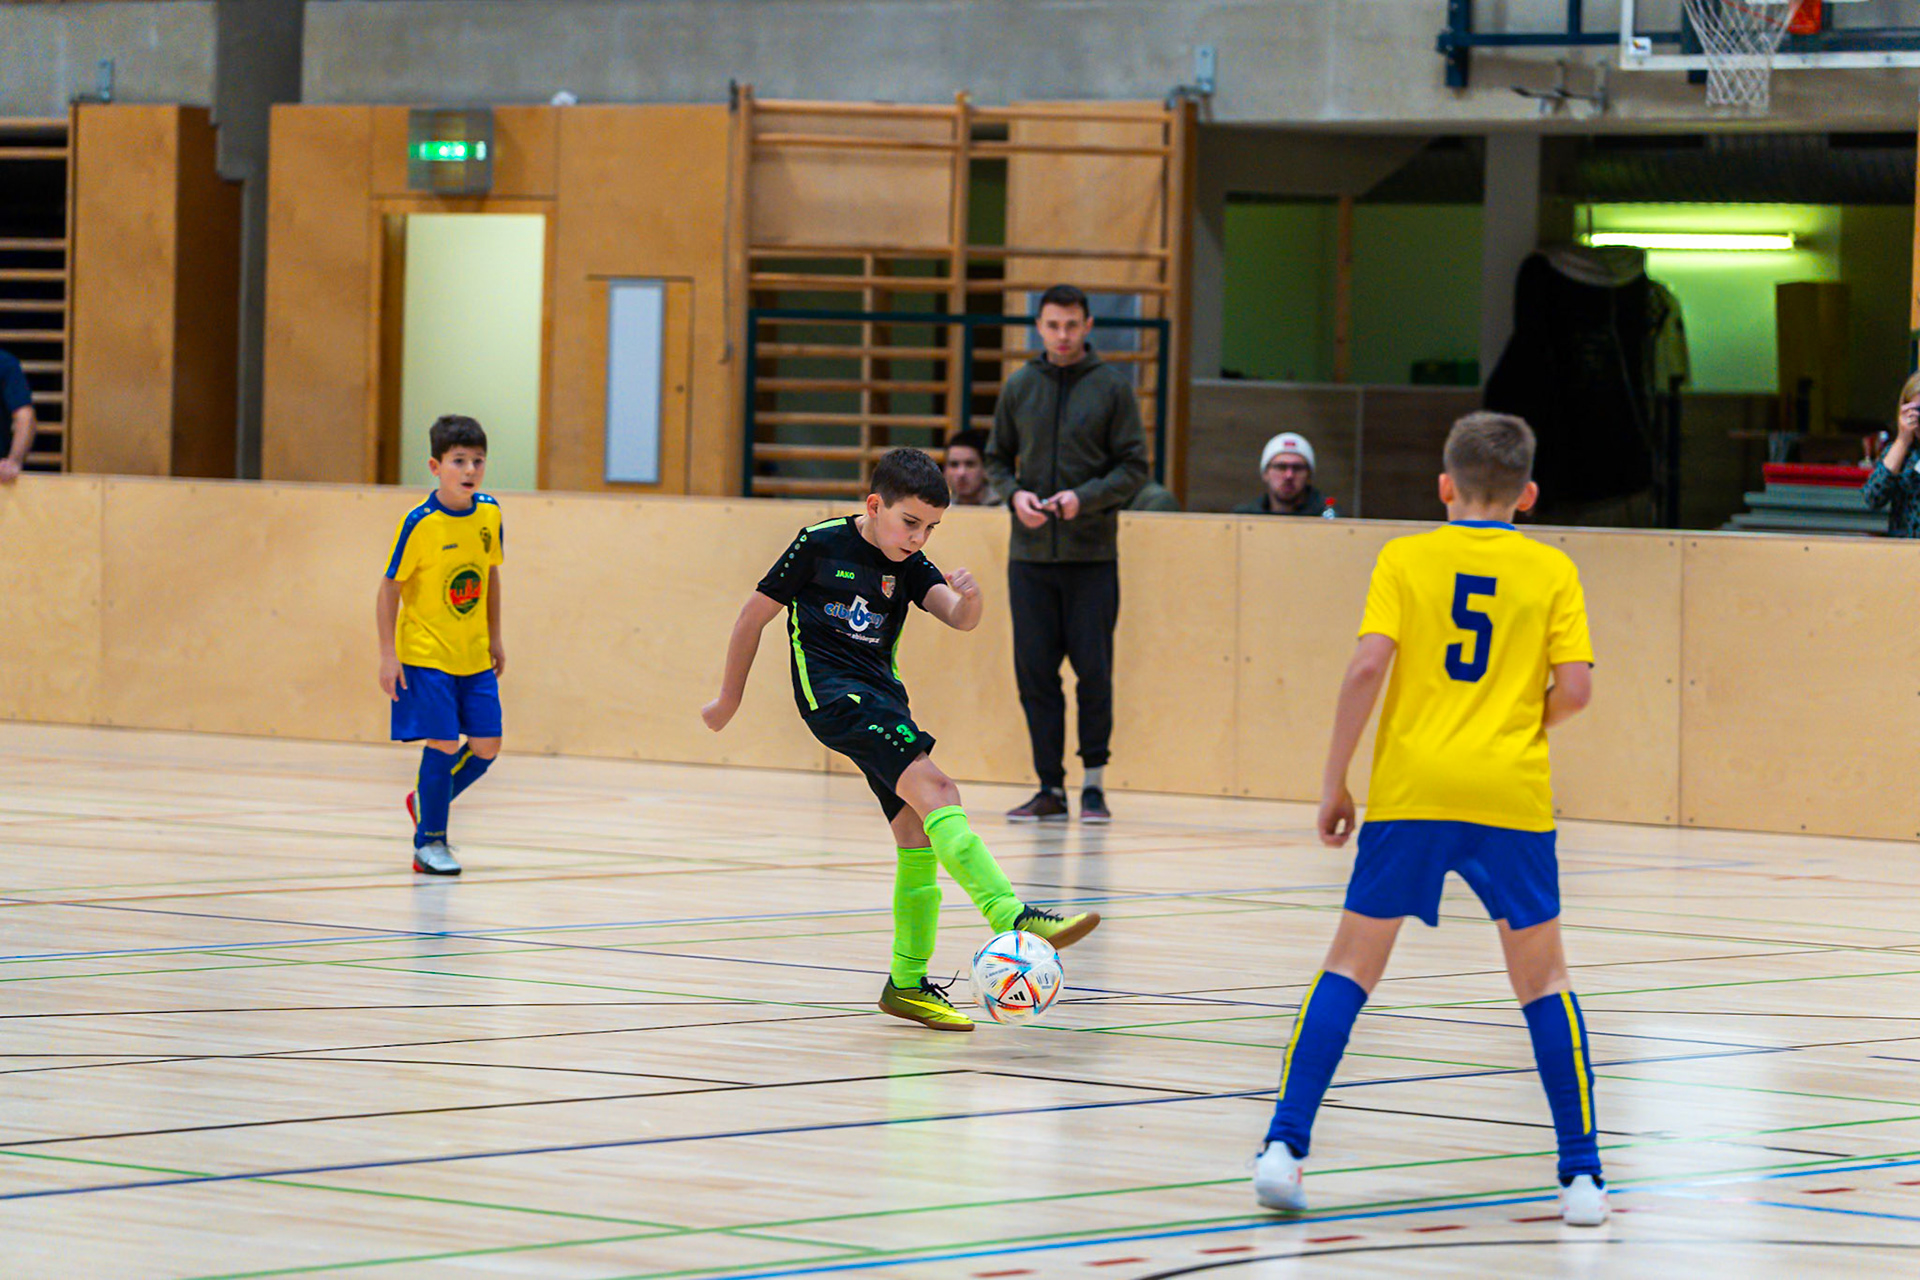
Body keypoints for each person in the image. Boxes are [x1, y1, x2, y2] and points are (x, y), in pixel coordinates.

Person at [1250, 412, 1607, 1227]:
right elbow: (1579, 690)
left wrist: (1335, 782)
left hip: (1412, 791)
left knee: (1350, 968)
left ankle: (1282, 1149)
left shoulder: (1404, 558)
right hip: (1511, 795)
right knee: (1544, 981)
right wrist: (1519, 723)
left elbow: (1366, 666)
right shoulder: (1552, 568)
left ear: (1444, 486)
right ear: (1528, 495)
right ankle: (1582, 1178)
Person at [702, 447, 1102, 1032]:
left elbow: (957, 616)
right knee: (939, 789)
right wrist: (729, 699)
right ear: (874, 505)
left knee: (916, 834)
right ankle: (1010, 914)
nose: (918, 538)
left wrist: (972, 599)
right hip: (833, 698)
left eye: (931, 528)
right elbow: (751, 617)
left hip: (883, 699)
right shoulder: (819, 544)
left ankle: (906, 983)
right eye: (910, 522)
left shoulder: (910, 563)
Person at [985, 284, 1149, 825]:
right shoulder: (1019, 386)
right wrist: (1015, 496)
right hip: (1029, 558)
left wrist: (1086, 499)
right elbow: (996, 460)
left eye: (1072, 325)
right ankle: (1049, 787)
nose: (1062, 335)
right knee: (1035, 675)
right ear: (1039, 326)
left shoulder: (1112, 388)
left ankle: (1094, 786)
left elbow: (1134, 467)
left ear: (1088, 325)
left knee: (1093, 673)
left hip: (1091, 557)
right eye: (1053, 325)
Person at [375, 415, 506, 877]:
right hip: (426, 654)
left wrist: (495, 636)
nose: (470, 470)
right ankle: (430, 842)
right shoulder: (419, 523)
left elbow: (490, 575)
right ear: (435, 466)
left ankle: (426, 801)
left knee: (487, 746)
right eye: (459, 461)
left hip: (473, 654)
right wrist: (388, 655)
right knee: (445, 742)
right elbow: (389, 587)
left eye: (478, 461)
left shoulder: (489, 513)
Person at [1863, 373, 1920, 538]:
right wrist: (1903, 441)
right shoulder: (1902, 452)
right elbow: (1873, 498)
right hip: (1905, 547)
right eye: (1917, 411)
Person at [1232, 432, 1333, 517]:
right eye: (1281, 467)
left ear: (1309, 475)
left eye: (1297, 468)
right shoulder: (1246, 517)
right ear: (1265, 473)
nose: (1289, 475)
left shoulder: (1328, 518)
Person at [942, 429, 1004, 507]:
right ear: (945, 471)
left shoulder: (1007, 508)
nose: (961, 473)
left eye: (970, 464)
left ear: (985, 469)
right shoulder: (939, 508)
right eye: (954, 465)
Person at [0, 346, 34, 482]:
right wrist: (14, 462)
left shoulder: (4, 362)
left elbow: (24, 415)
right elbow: (25, 415)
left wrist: (14, 461)